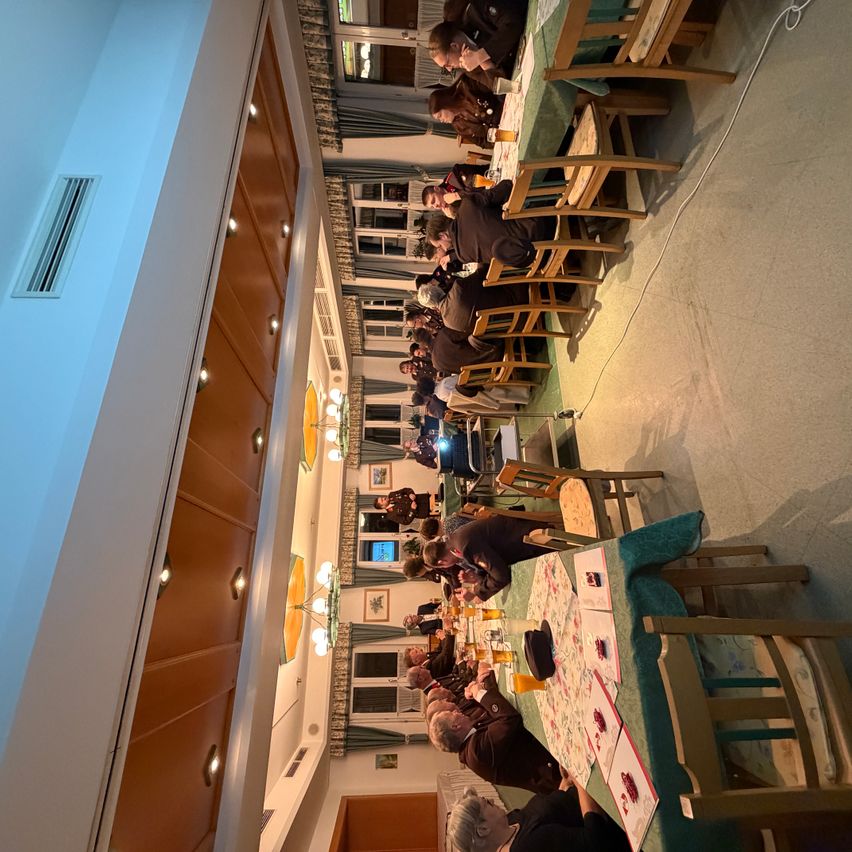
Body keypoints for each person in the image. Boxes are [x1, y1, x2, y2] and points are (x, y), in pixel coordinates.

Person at [430, 667, 561, 793]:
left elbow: (495, 708)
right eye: (453, 714)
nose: (457, 712)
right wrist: (479, 693)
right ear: (455, 726)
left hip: (544, 743)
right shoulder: (476, 753)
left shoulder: (470, 738)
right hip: (556, 767)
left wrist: (480, 682)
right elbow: (509, 719)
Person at [447, 779, 631, 852]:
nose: (492, 802)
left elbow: (550, 814)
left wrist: (564, 786)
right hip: (617, 820)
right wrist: (582, 783)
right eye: (486, 803)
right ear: (483, 828)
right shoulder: (528, 845)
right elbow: (595, 841)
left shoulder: (509, 823)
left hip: (594, 796)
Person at [422, 514, 545, 601]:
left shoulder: (464, 545)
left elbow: (501, 576)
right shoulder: (454, 540)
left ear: (442, 562)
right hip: (517, 534)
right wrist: (477, 577)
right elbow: (491, 564)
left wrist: (475, 591)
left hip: (530, 539)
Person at [429, 0, 528, 85]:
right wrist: (484, 63)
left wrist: (481, 55)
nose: (449, 69)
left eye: (447, 63)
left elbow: (513, 24)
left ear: (454, 46)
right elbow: (500, 92)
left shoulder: (475, 9)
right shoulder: (466, 62)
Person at [417, 271, 527, 336]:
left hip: (510, 327)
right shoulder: (458, 288)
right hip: (517, 299)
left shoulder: (449, 324)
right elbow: (482, 272)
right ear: (438, 289)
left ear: (432, 306)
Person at [429, 76, 503, 148]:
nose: (441, 120)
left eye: (440, 116)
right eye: (439, 119)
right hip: (502, 135)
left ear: (445, 104)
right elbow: (482, 143)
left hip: (506, 108)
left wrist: (495, 124)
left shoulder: (467, 88)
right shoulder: (459, 128)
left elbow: (496, 91)